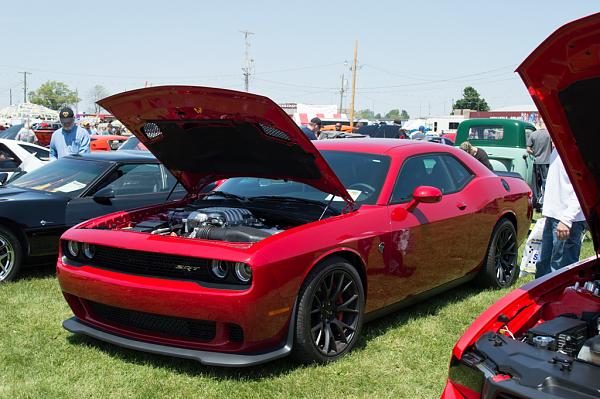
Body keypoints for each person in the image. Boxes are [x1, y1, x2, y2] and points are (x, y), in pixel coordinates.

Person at [535, 149, 587, 278]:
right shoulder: (557, 150)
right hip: (553, 216)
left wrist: (567, 219)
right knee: (545, 266)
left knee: (561, 272)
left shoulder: (575, 151)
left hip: (567, 220)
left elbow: (582, 187)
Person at [527, 121, 552, 209]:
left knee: (536, 184)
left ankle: (535, 202)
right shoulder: (549, 134)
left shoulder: (533, 134)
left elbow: (528, 149)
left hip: (536, 162)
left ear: (539, 124)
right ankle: (545, 203)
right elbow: (553, 146)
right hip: (547, 162)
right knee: (546, 183)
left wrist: (534, 153)